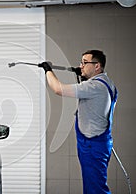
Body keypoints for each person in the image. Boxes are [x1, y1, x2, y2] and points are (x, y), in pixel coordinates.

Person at [39, 50, 117, 194]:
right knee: (93, 186)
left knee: (95, 189)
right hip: (98, 142)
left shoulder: (94, 87)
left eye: (85, 63)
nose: (81, 66)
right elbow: (91, 101)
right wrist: (80, 76)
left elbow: (58, 89)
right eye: (81, 62)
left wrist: (48, 70)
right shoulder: (106, 83)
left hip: (92, 145)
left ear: (97, 66)